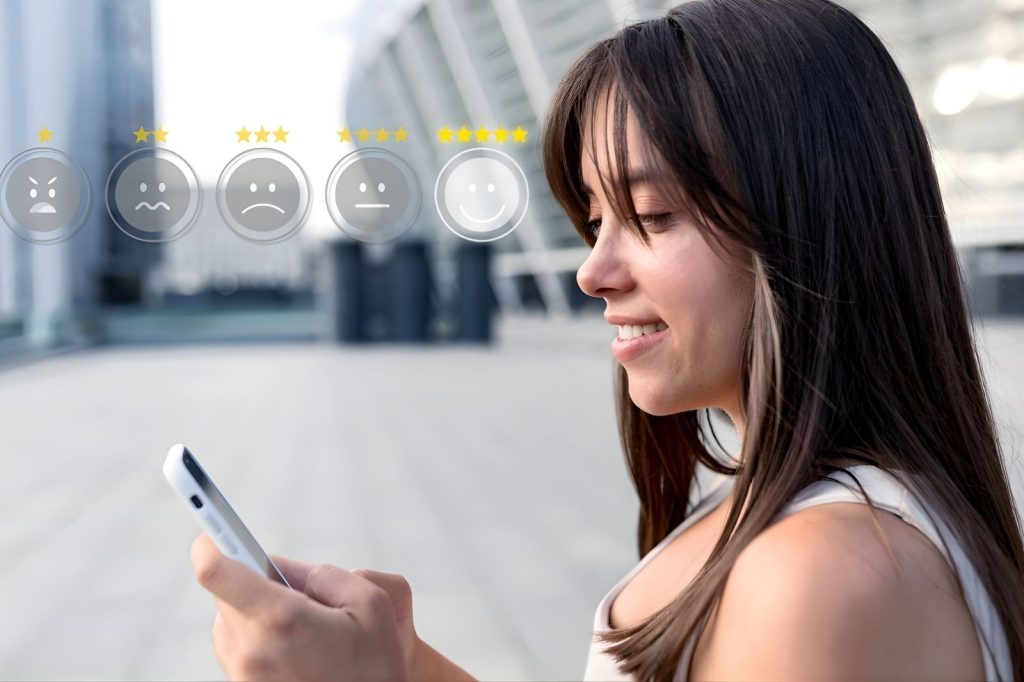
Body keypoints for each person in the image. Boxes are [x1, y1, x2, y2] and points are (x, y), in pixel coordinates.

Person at [190, 0, 1024, 679]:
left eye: (652, 215)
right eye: (595, 221)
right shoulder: (801, 511)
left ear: (812, 224)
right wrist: (397, 657)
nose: (594, 271)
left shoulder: (826, 572)